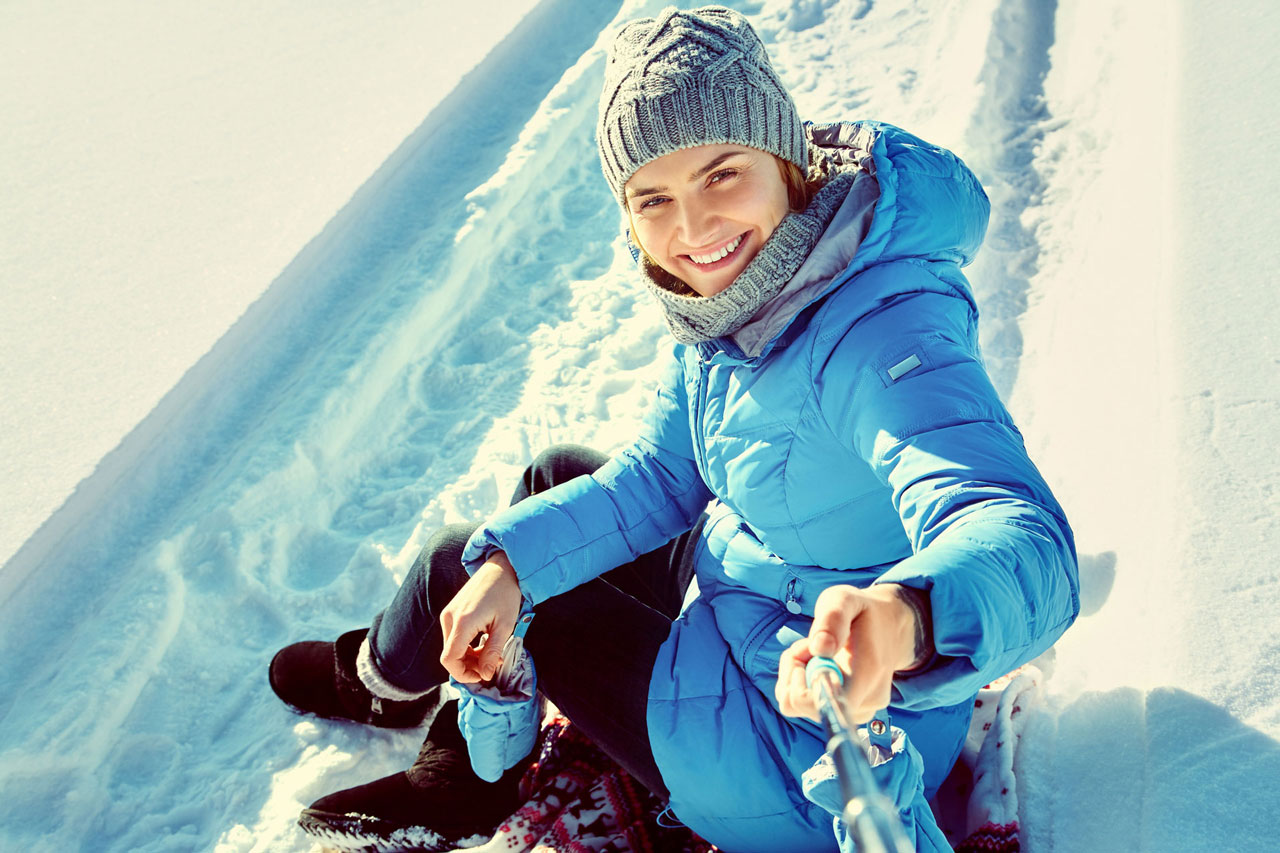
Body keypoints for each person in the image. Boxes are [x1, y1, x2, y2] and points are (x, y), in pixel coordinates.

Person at [268, 6, 1079, 852]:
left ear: (788, 157)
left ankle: (420, 722)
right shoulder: (752, 287)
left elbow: (1020, 536)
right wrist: (515, 564)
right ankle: (419, 688)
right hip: (756, 596)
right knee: (550, 485)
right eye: (654, 197)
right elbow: (659, 478)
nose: (692, 231)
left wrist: (904, 618)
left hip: (795, 744)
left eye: (722, 174)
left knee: (455, 564)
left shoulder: (885, 331)